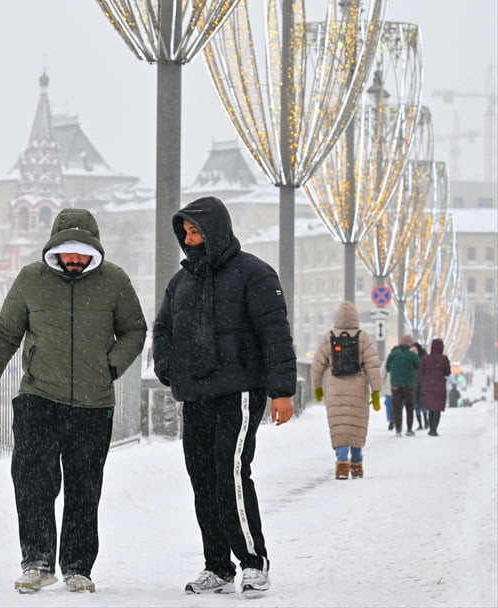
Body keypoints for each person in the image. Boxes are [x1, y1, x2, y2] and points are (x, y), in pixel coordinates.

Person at [0, 207, 147, 595]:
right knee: (33, 482)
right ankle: (37, 561)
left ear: (94, 250)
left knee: (84, 488)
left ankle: (78, 566)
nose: (75, 259)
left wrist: (110, 366)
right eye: (69, 252)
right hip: (39, 398)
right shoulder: (31, 279)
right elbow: (4, 336)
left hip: (93, 404)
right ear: (55, 248)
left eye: (83, 253)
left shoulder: (114, 281)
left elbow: (135, 329)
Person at [152, 196, 295, 598]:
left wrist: (282, 391)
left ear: (215, 231)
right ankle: (217, 565)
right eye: (185, 233)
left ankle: (253, 562)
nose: (189, 239)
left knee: (229, 472)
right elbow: (162, 329)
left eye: (195, 232)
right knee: (202, 478)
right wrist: (167, 366)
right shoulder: (181, 282)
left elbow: (275, 334)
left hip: (239, 391)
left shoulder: (254, 273)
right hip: (196, 395)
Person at [309, 301, 383, 479]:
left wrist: (317, 388)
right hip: (358, 388)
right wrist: (376, 391)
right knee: (356, 425)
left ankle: (342, 465)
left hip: (335, 389)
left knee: (340, 426)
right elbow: (372, 365)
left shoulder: (329, 337)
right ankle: (356, 465)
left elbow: (317, 366)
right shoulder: (363, 337)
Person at [385, 335, 420, 436]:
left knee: (397, 407)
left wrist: (396, 373)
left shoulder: (393, 354)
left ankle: (398, 430)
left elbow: (387, 367)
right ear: (409, 344)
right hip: (409, 384)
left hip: (395, 384)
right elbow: (418, 365)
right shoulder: (412, 355)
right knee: (409, 407)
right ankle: (409, 429)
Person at [418, 337, 452, 436]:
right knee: (437, 408)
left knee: (430, 407)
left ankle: (431, 428)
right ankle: (434, 429)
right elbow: (448, 372)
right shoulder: (444, 359)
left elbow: (421, 371)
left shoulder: (426, 358)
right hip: (440, 386)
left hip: (428, 385)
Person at [411, 341, 429, 430]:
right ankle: (420, 424)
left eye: (415, 349)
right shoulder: (411, 358)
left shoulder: (423, 358)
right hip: (414, 384)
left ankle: (426, 422)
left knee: (423, 404)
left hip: (422, 383)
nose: (413, 351)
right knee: (416, 405)